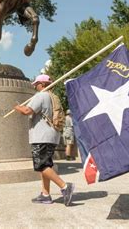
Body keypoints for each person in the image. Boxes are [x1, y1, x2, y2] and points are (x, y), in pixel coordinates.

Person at [14, 74, 75, 206]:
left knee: (41, 165)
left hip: (41, 136)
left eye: (36, 84)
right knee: (46, 165)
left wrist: (17, 108)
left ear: (42, 84)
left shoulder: (41, 96)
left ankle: (65, 187)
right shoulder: (54, 97)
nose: (35, 86)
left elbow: (27, 111)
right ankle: (45, 194)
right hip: (52, 136)